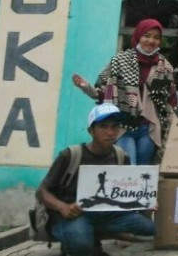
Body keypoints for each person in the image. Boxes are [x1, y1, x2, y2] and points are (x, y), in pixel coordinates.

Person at [37, 104, 155, 256]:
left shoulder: (121, 156)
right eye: (103, 127)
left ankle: (93, 237)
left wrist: (145, 200)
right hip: (73, 216)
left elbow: (124, 193)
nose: (110, 132)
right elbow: (42, 191)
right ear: (91, 131)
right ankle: (76, 242)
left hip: (106, 216)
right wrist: (63, 207)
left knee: (151, 231)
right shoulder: (70, 155)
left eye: (114, 127)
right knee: (80, 244)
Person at [73, 19, 176, 165]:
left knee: (143, 172)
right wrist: (85, 86)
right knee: (127, 168)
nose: (151, 41)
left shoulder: (165, 67)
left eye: (156, 37)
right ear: (139, 36)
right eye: (147, 35)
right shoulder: (120, 61)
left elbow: (169, 100)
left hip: (149, 128)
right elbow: (102, 92)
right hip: (123, 125)